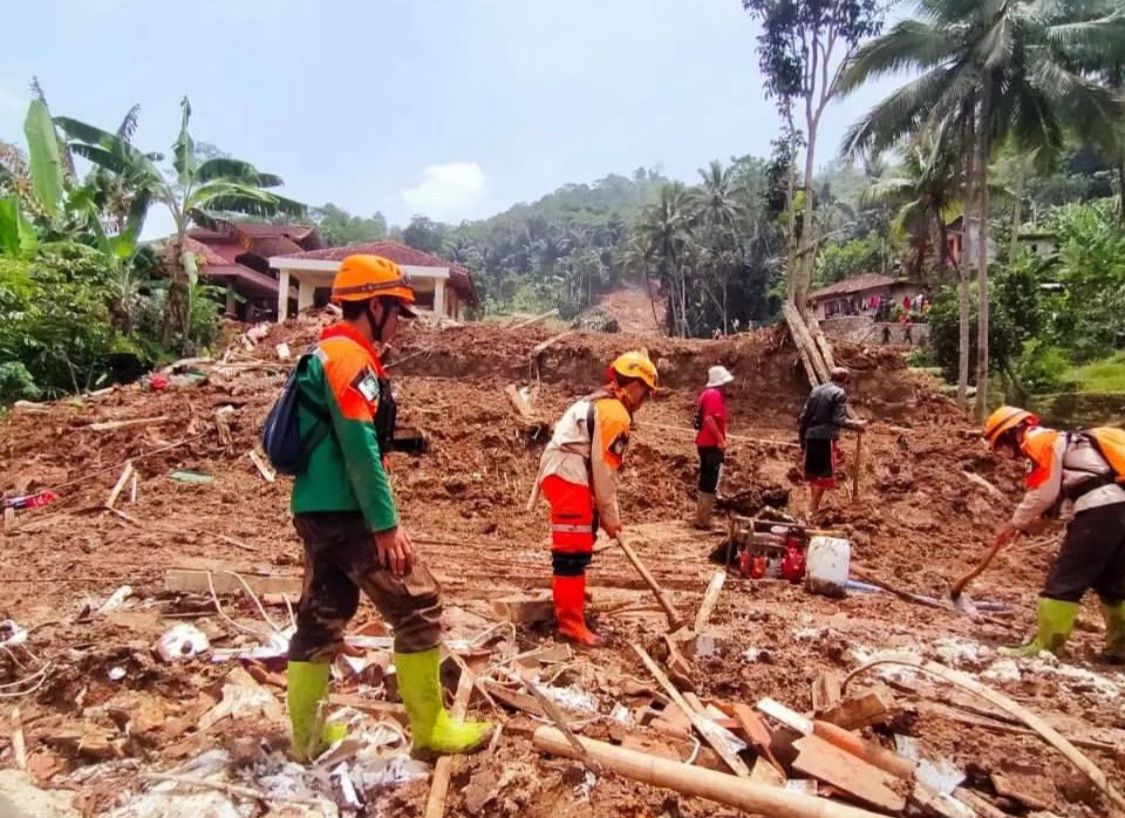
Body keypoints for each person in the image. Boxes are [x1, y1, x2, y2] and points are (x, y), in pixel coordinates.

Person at [286, 254, 492, 761]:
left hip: (314, 507)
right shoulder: (350, 360)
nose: (400, 322)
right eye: (396, 310)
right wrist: (385, 525)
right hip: (348, 511)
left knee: (321, 617)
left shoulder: (325, 354)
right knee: (418, 603)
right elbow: (358, 445)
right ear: (373, 306)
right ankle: (433, 729)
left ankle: (305, 738)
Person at [534, 351, 659, 646]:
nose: (644, 402)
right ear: (637, 386)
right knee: (571, 554)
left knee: (581, 541)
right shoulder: (615, 414)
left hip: (566, 472)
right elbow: (605, 473)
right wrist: (611, 518)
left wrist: (600, 514)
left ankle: (573, 595)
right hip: (567, 475)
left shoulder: (599, 402)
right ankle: (569, 623)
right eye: (646, 394)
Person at [982, 407, 1125, 661]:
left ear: (1012, 433)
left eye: (1002, 445)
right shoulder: (1070, 447)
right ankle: (1121, 648)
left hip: (1101, 509)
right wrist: (1033, 523)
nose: (1006, 454)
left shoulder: (1037, 440)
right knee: (1113, 583)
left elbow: (1044, 492)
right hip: (1117, 509)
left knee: (1065, 578)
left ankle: (1046, 646)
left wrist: (1013, 523)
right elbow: (1064, 497)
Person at [797, 367, 867, 516]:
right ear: (845, 381)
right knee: (823, 476)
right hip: (825, 438)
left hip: (810, 436)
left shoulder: (815, 391)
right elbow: (838, 419)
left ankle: (812, 506)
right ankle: (812, 508)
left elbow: (804, 417)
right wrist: (857, 425)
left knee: (814, 474)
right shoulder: (839, 393)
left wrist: (802, 440)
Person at [695, 365, 734, 529]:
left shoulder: (706, 394)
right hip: (711, 444)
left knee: (706, 479)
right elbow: (709, 419)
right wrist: (720, 439)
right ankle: (704, 520)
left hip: (704, 442)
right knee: (711, 480)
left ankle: (703, 517)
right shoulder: (714, 395)